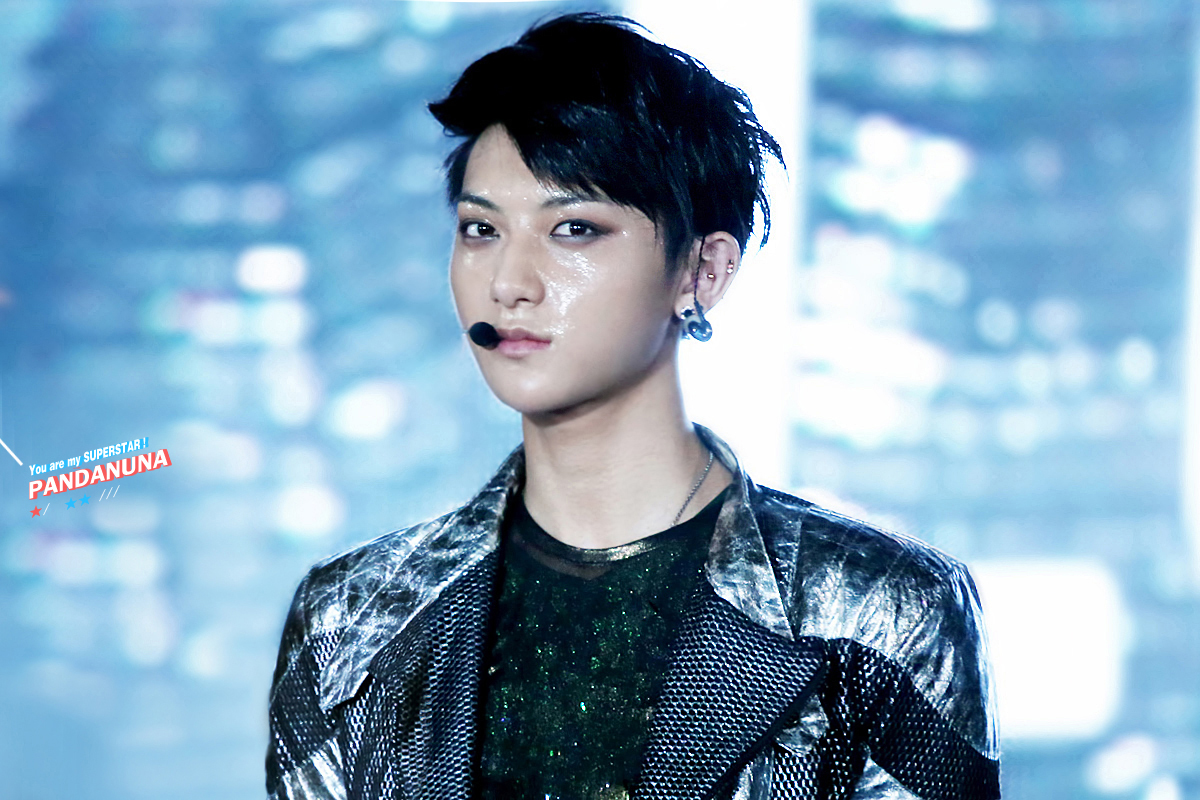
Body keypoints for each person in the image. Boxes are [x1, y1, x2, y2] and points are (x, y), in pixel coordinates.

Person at [265, 13, 1000, 800]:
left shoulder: (876, 611)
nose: (509, 282)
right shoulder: (352, 619)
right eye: (481, 229)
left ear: (702, 272)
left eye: (573, 229)